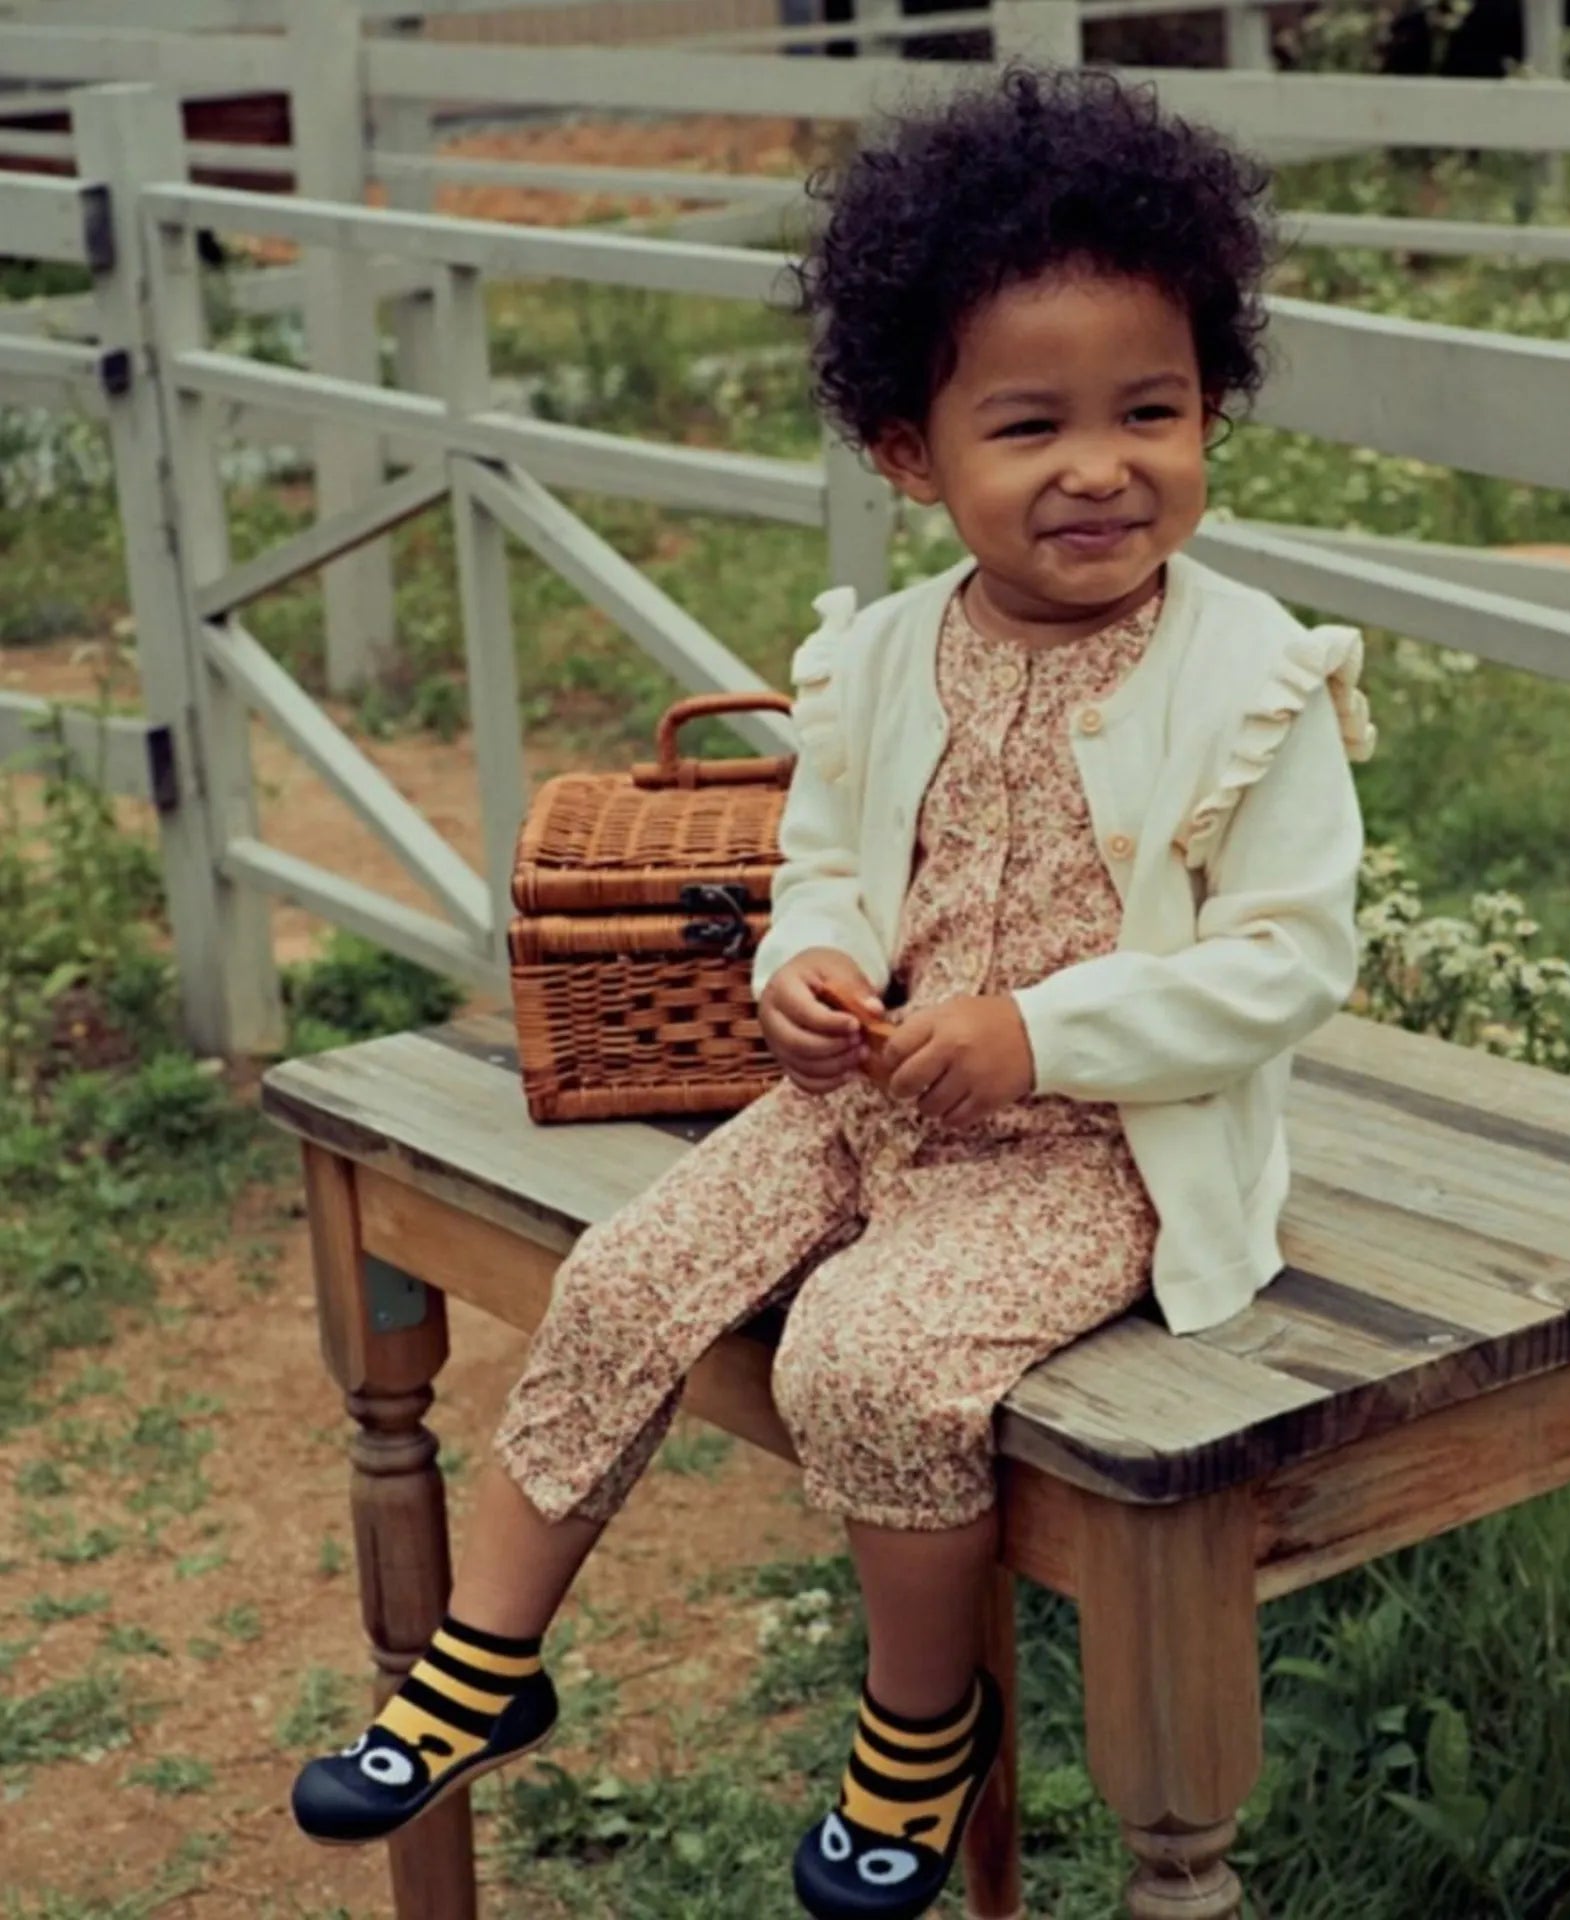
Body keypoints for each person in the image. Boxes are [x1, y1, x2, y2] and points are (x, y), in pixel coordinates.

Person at [289, 63, 1375, 1920]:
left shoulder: (1254, 676)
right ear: (906, 451)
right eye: (1028, 426)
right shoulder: (880, 656)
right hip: (865, 1094)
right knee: (628, 1272)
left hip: (1093, 1153)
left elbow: (1289, 959)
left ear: (1214, 409)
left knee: (862, 1352)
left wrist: (1040, 1030)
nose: (1100, 466)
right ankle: (486, 1653)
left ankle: (915, 1723)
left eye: (1155, 411)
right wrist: (809, 968)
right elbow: (829, 867)